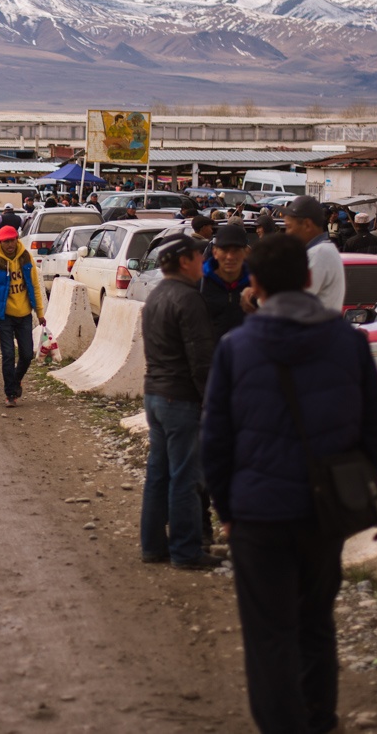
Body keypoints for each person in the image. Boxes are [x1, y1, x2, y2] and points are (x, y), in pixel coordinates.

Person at [202, 233, 377, 734]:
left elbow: (215, 438)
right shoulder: (349, 342)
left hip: (258, 514)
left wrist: (226, 508)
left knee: (269, 635)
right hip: (325, 513)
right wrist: (354, 486)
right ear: (309, 280)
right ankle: (320, 721)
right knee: (315, 623)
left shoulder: (236, 346)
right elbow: (376, 428)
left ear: (255, 284)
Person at [139, 234, 220, 570]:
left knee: (158, 474)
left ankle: (153, 546)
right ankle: (186, 551)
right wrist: (210, 401)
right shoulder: (188, 299)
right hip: (180, 399)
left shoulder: (156, 296)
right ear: (184, 260)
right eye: (199, 257)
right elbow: (201, 359)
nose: (204, 262)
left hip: (155, 395)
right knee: (185, 477)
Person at [0, 225, 47, 407]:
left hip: (24, 314)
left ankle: (16, 380)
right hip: (5, 316)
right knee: (8, 355)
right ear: (0, 242)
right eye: (6, 241)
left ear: (17, 239)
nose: (10, 244)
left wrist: (40, 313)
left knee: (26, 355)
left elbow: (35, 286)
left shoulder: (26, 258)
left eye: (12, 240)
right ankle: (10, 394)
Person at [282, 196, 345, 312]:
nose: (287, 233)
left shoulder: (319, 253)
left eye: (289, 227)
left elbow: (292, 301)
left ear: (307, 225)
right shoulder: (320, 251)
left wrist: (258, 297)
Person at [200, 222, 254, 341]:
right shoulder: (199, 282)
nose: (230, 256)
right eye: (225, 250)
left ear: (245, 253)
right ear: (215, 252)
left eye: (236, 250)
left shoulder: (257, 284)